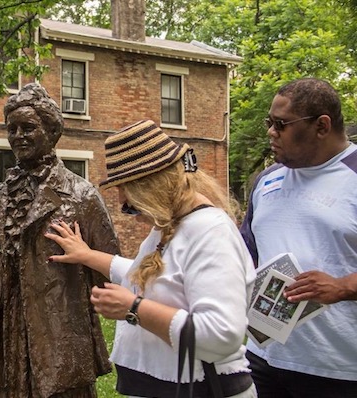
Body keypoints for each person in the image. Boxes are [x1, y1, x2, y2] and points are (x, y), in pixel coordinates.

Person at [46, 119, 258, 398]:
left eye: (126, 188)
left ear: (153, 184)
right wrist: (87, 255)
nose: (122, 200)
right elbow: (146, 274)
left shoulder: (211, 233)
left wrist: (134, 309)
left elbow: (221, 336)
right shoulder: (171, 227)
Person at [0, 82, 120, 397]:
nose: (19, 136)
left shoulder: (82, 196)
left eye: (28, 127)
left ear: (51, 131)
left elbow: (110, 272)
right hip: (8, 337)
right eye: (12, 128)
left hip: (61, 335)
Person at [239, 77, 357, 397]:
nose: (270, 132)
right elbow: (246, 255)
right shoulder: (266, 181)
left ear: (322, 126)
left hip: (339, 368)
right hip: (264, 358)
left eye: (281, 124)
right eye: (269, 122)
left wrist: (343, 286)